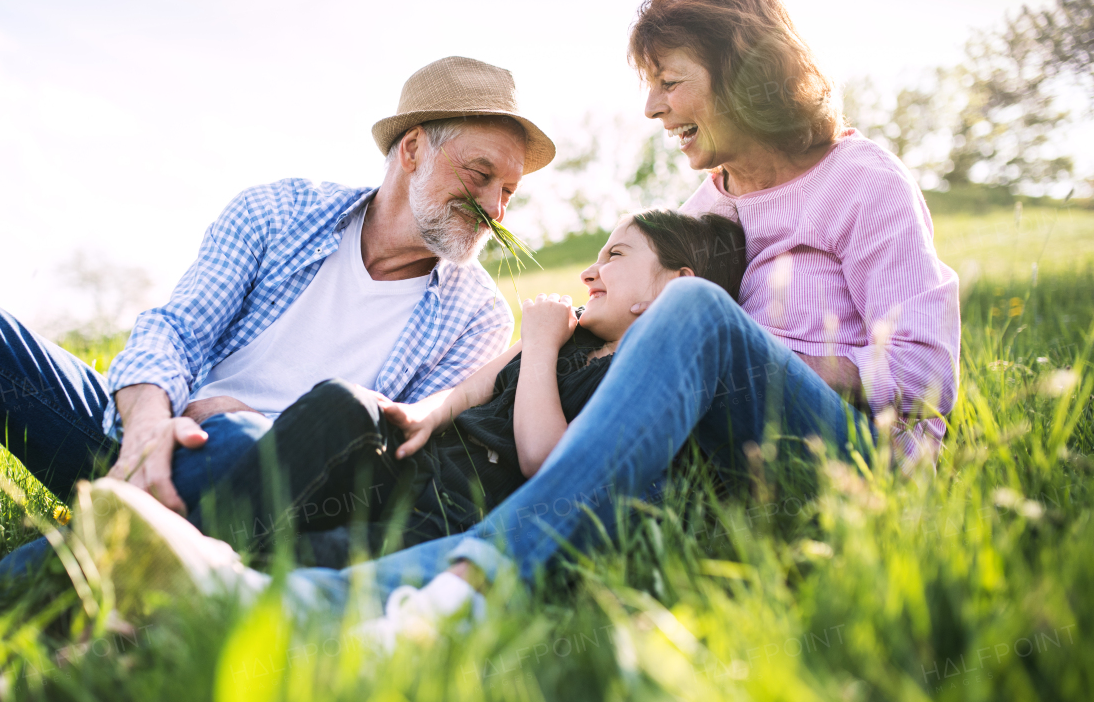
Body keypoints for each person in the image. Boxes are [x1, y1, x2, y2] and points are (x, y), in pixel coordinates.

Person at [64, 0, 962, 649]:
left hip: (857, 468)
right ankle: (277, 602)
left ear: (740, 69)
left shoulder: (861, 181)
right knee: (548, 500)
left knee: (693, 317)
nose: (651, 106)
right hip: (731, 466)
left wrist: (730, 354)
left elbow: (922, 375)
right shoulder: (709, 206)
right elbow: (613, 342)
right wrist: (457, 398)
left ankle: (460, 593)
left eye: (671, 79)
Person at [0, 56, 556, 552]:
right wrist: (147, 426)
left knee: (236, 443)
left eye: (508, 191)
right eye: (481, 173)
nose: (493, 205)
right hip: (141, 430)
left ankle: (112, 551)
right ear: (413, 150)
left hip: (273, 484)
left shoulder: (478, 315)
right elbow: (175, 327)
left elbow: (389, 454)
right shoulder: (277, 212)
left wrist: (230, 418)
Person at [179, 209, 745, 568]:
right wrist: (423, 413)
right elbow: (477, 387)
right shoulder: (568, 329)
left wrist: (543, 344)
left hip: (453, 518)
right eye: (595, 258)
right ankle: (189, 538)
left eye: (615, 257)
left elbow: (544, 458)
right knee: (343, 403)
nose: (589, 273)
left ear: (675, 287)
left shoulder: (636, 375)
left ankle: (196, 579)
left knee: (311, 557)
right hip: (413, 469)